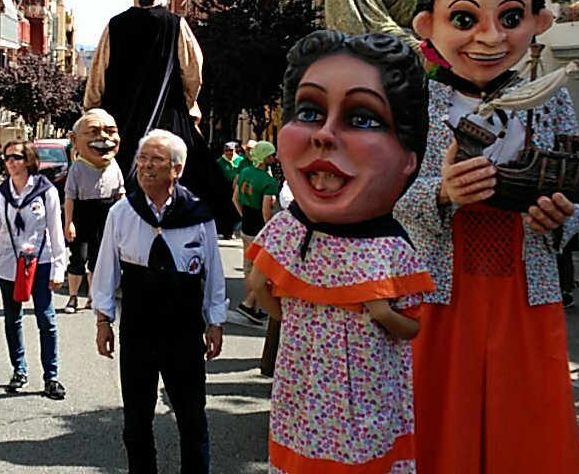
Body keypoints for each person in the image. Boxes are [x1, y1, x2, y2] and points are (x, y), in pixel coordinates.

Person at [396, 0, 579, 473]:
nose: (490, 37)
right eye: (464, 19)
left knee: (526, 422)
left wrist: (559, 218)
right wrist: (441, 193)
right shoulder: (411, 102)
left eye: (510, 18)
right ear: (428, 25)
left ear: (539, 22)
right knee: (435, 416)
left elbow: (575, 185)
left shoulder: (553, 100)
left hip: (527, 288)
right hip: (437, 291)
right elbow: (383, 193)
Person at [247, 30, 434, 473]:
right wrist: (295, 312)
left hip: (369, 403)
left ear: (409, 157)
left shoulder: (391, 249)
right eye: (309, 112)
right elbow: (261, 286)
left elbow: (411, 326)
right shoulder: (290, 231)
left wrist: (381, 313)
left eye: (363, 118)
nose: (325, 135)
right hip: (301, 400)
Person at [92, 130, 227, 474]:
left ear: (176, 169)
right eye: (142, 158)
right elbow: (106, 270)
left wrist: (215, 321)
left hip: (184, 332)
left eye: (156, 159)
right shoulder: (122, 212)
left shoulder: (198, 214)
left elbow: (214, 272)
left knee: (192, 420)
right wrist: (103, 320)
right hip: (137, 331)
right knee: (136, 423)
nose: (146, 166)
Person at [84, 0, 230, 232]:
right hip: (170, 121)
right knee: (196, 183)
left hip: (121, 125)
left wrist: (93, 114)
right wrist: (188, 107)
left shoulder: (115, 25)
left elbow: (97, 78)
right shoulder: (176, 25)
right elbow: (193, 72)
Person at [0, 140, 67, 400]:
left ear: (28, 160)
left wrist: (59, 268)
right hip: (8, 264)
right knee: (12, 319)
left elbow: (55, 232)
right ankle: (19, 370)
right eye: (7, 158)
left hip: (40, 263)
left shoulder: (46, 191)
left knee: (46, 319)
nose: (11, 162)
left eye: (16, 157)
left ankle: (51, 376)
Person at [63, 108, 124, 314]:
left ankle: (91, 296)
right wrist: (69, 223)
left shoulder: (114, 166)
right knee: (78, 257)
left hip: (106, 213)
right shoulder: (78, 167)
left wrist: (122, 222)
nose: (103, 138)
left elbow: (120, 194)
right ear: (75, 139)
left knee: (98, 258)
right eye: (93, 132)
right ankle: (73, 297)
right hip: (83, 212)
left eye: (110, 131)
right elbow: (70, 197)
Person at [232, 141, 279, 325]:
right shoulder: (269, 182)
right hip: (260, 230)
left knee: (248, 268)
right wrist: (271, 231)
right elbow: (266, 212)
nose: (274, 158)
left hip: (246, 225)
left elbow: (235, 198)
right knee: (265, 271)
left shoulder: (245, 172)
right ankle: (249, 304)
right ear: (265, 157)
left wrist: (243, 215)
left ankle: (255, 307)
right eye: (271, 155)